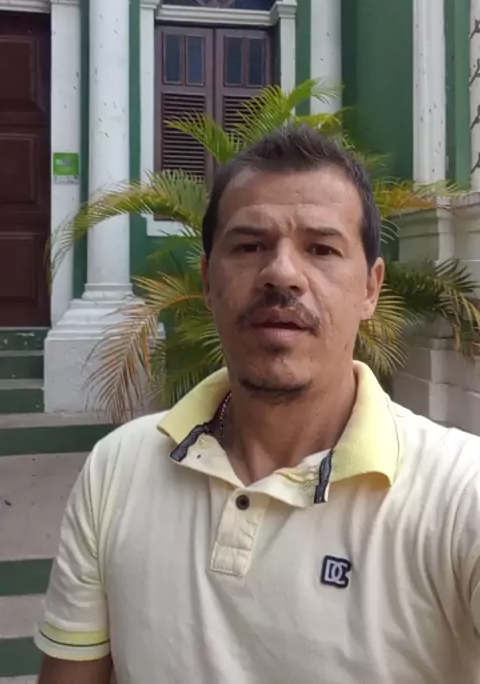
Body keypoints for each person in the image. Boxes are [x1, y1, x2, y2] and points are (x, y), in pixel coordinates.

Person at [36, 125, 480, 684]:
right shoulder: (117, 469)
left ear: (370, 289)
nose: (282, 274)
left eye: (321, 248)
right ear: (207, 280)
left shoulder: (461, 495)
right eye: (249, 246)